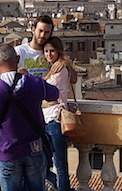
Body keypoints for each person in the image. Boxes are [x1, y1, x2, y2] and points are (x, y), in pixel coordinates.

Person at [0, 44, 59, 191]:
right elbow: (54, 94)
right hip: (35, 148)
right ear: (18, 59)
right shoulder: (34, 83)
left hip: (7, 151)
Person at [42, 37, 77, 191]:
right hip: (48, 120)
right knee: (44, 162)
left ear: (58, 51)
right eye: (46, 51)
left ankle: (62, 187)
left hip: (55, 119)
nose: (49, 54)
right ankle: (62, 186)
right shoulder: (57, 68)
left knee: (59, 164)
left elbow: (47, 95)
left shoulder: (60, 69)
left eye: (52, 51)